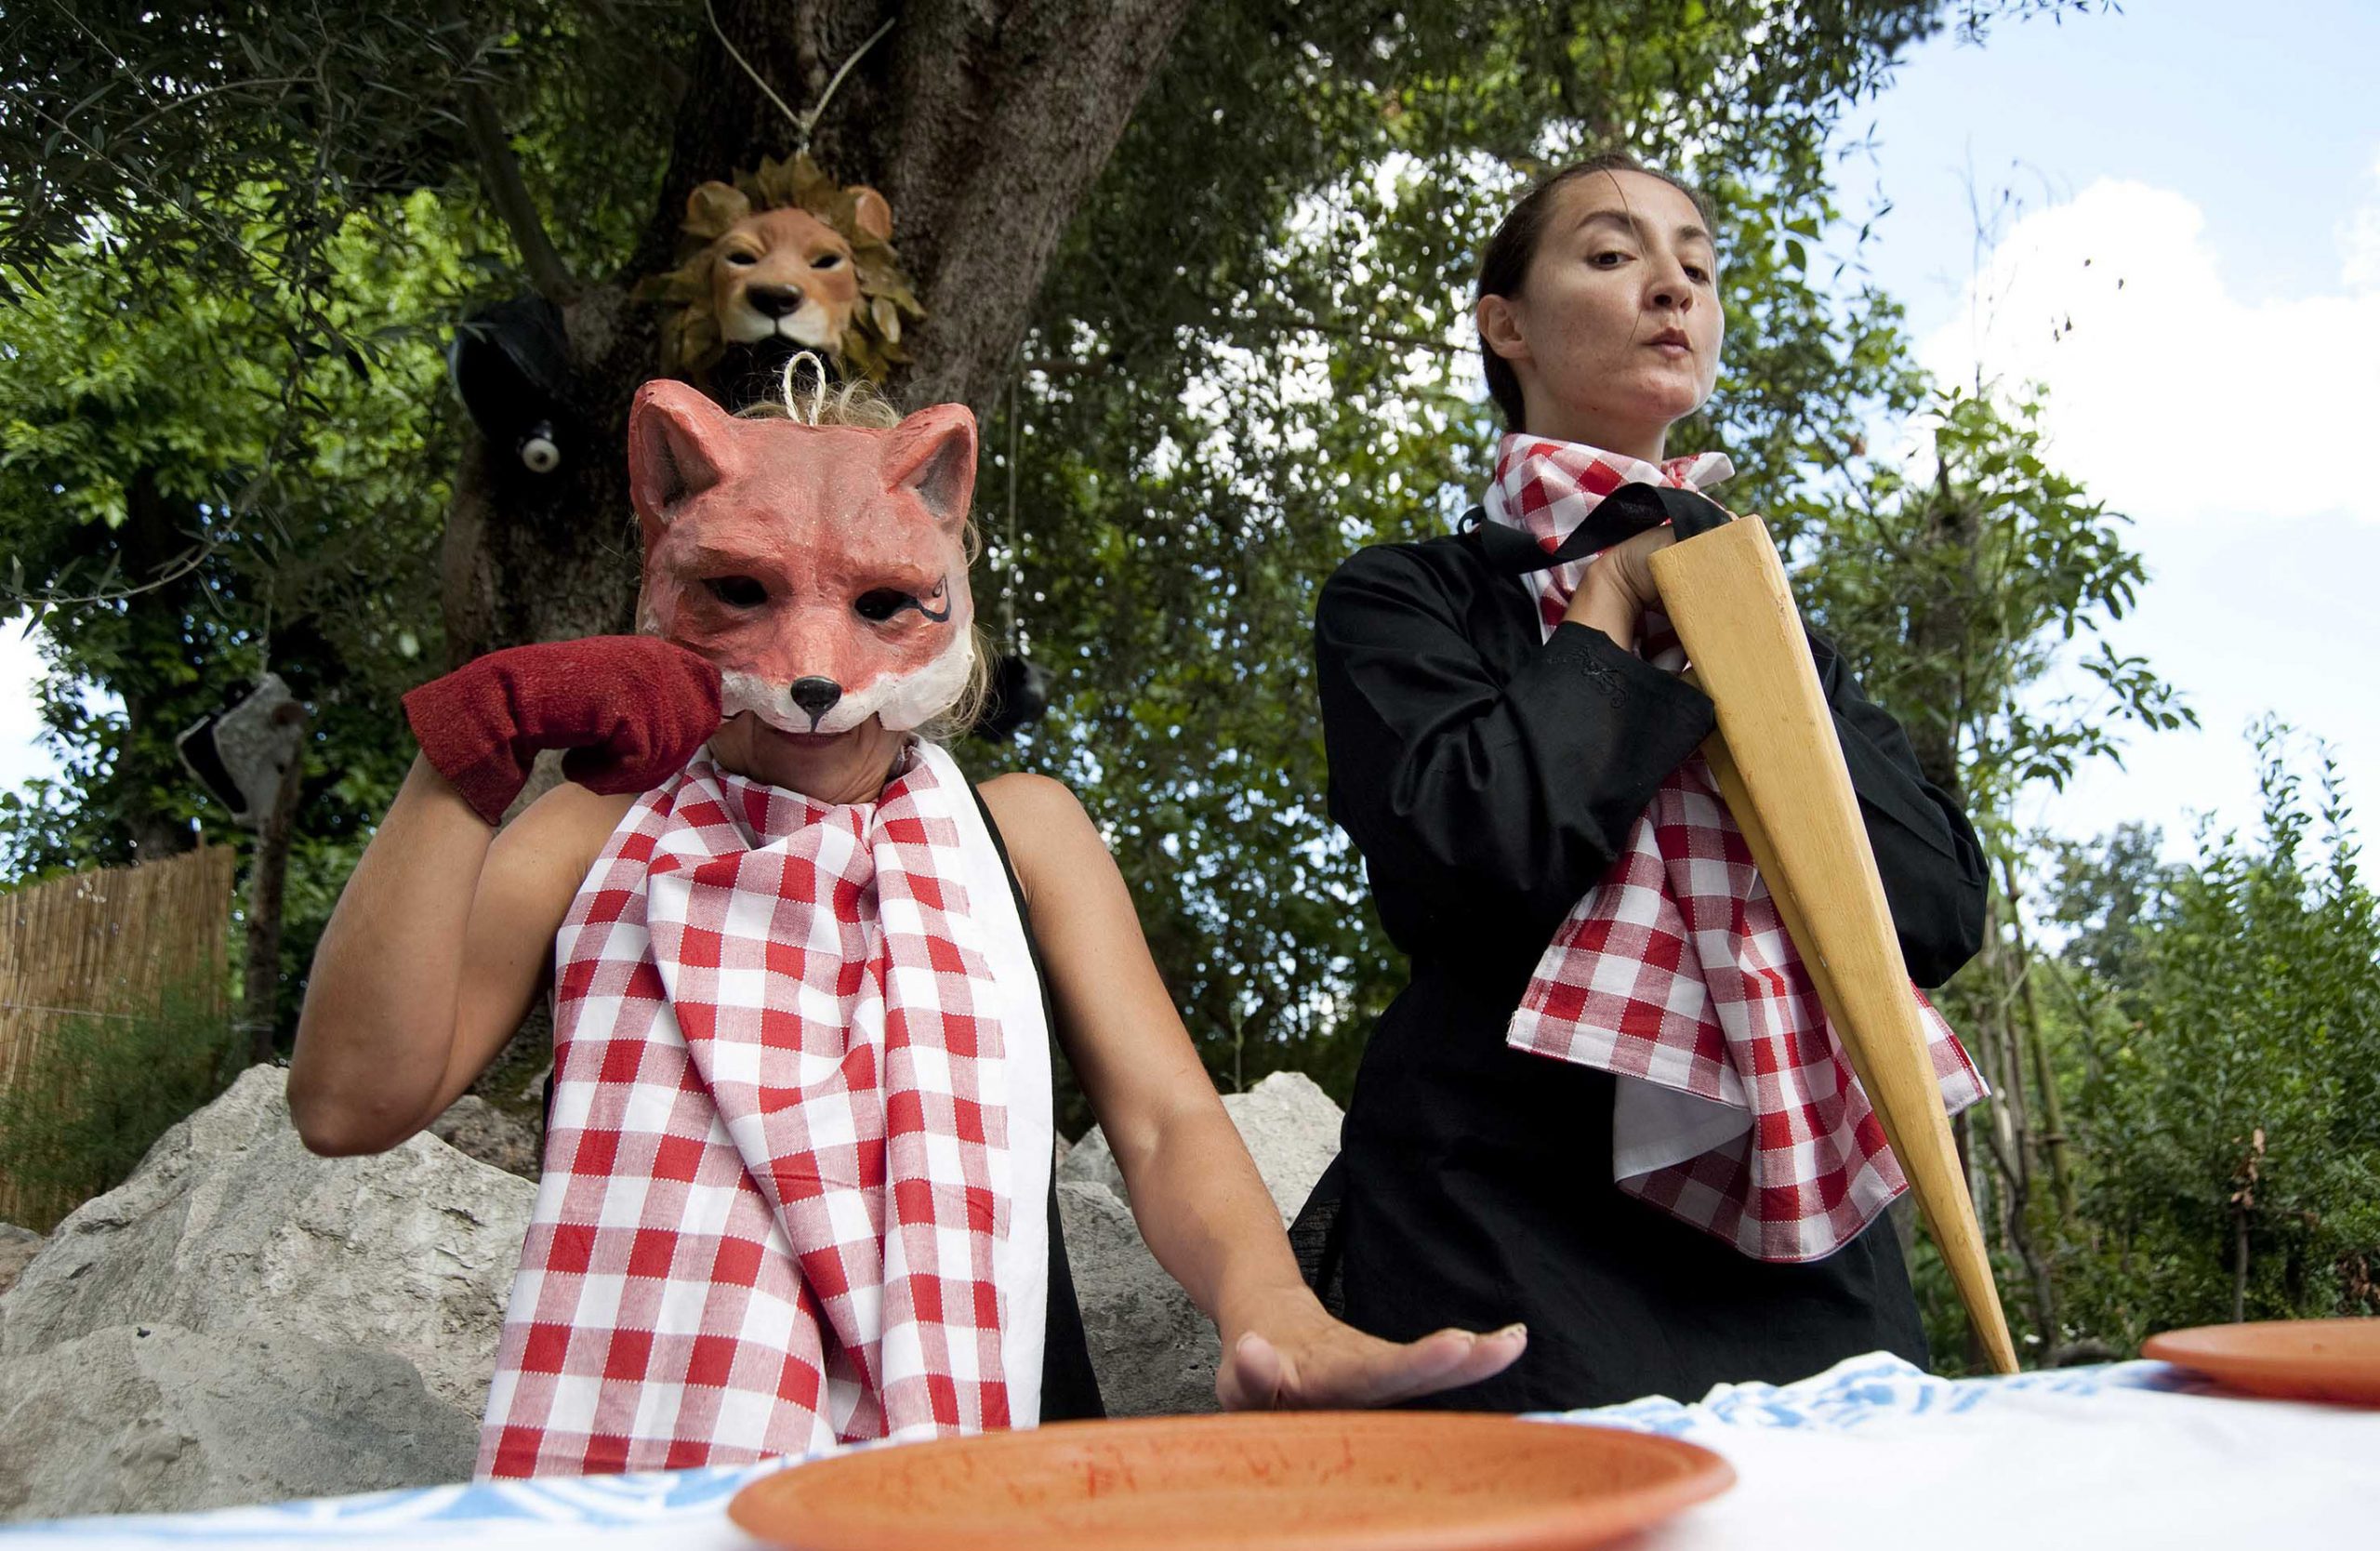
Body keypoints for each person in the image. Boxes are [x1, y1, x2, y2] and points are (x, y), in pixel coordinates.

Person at [289, 367, 1523, 1477]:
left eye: (882, 601)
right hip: (648, 1483)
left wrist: (1276, 1311)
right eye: (740, 588)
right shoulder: (591, 827)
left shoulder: (1022, 832)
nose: (814, 659)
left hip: (991, 1459)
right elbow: (350, 1102)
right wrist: (471, 754)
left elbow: (1164, 1120)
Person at [1290, 153, 1990, 1411]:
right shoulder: (1407, 599)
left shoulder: (1778, 628)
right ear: (1505, 324)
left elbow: (1933, 913)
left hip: (1807, 1247)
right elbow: (1473, 856)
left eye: (1698, 265)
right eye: (1612, 255)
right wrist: (1609, 608)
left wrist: (1754, 648)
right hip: (1500, 1230)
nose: (1671, 284)